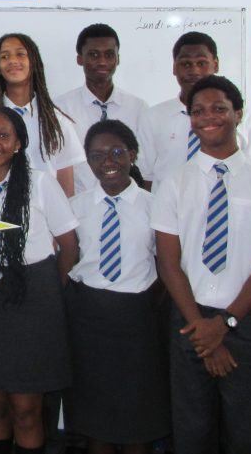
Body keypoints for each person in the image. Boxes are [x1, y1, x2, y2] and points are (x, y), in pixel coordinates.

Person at [150, 75, 251, 454]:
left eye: (218, 108)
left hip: (245, 322)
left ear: (238, 114)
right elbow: (169, 264)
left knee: (249, 434)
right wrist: (202, 328)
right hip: (188, 320)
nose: (207, 117)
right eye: (198, 111)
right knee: (191, 433)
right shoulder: (174, 184)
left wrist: (224, 324)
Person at [0, 107, 80, 454]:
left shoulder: (40, 183)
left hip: (35, 301)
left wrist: (46, 289)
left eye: (3, 135)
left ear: (18, 144)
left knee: (26, 410)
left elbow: (70, 247)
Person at [64, 120, 168, 454]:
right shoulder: (75, 208)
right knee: (97, 417)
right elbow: (67, 259)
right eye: (97, 156)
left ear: (132, 155)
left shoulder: (156, 206)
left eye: (116, 152)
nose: (107, 162)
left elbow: (167, 265)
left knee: (137, 416)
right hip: (88, 318)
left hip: (137, 320)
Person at [136, 31, 251, 191]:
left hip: (229, 204)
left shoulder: (245, 117)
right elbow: (145, 177)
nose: (194, 71)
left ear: (216, 65)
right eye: (186, 64)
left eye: (201, 63)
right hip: (168, 204)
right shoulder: (153, 117)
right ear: (174, 67)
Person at [0, 33, 86, 198]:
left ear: (33, 62)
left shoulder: (57, 122)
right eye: (4, 56)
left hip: (44, 212)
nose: (12, 61)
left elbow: (66, 193)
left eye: (20, 54)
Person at [54, 24, 148, 194]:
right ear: (80, 59)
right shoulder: (59, 109)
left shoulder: (138, 108)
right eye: (94, 55)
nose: (102, 62)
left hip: (127, 203)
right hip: (77, 204)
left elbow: (143, 163)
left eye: (109, 55)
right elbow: (58, 165)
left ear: (118, 59)